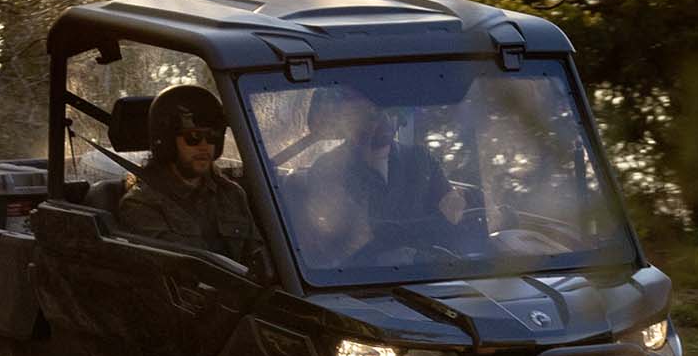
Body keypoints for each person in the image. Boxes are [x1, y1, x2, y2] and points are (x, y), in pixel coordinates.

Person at [276, 83, 457, 266]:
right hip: (360, 278)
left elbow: (452, 215)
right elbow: (357, 234)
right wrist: (422, 229)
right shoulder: (328, 167)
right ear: (350, 119)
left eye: (390, 111)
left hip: (426, 274)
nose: (385, 119)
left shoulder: (420, 158)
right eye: (373, 113)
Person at [117, 83, 257, 263]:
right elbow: (179, 273)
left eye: (212, 136)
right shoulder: (141, 204)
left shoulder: (232, 194)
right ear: (167, 141)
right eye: (193, 137)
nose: (204, 146)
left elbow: (258, 259)